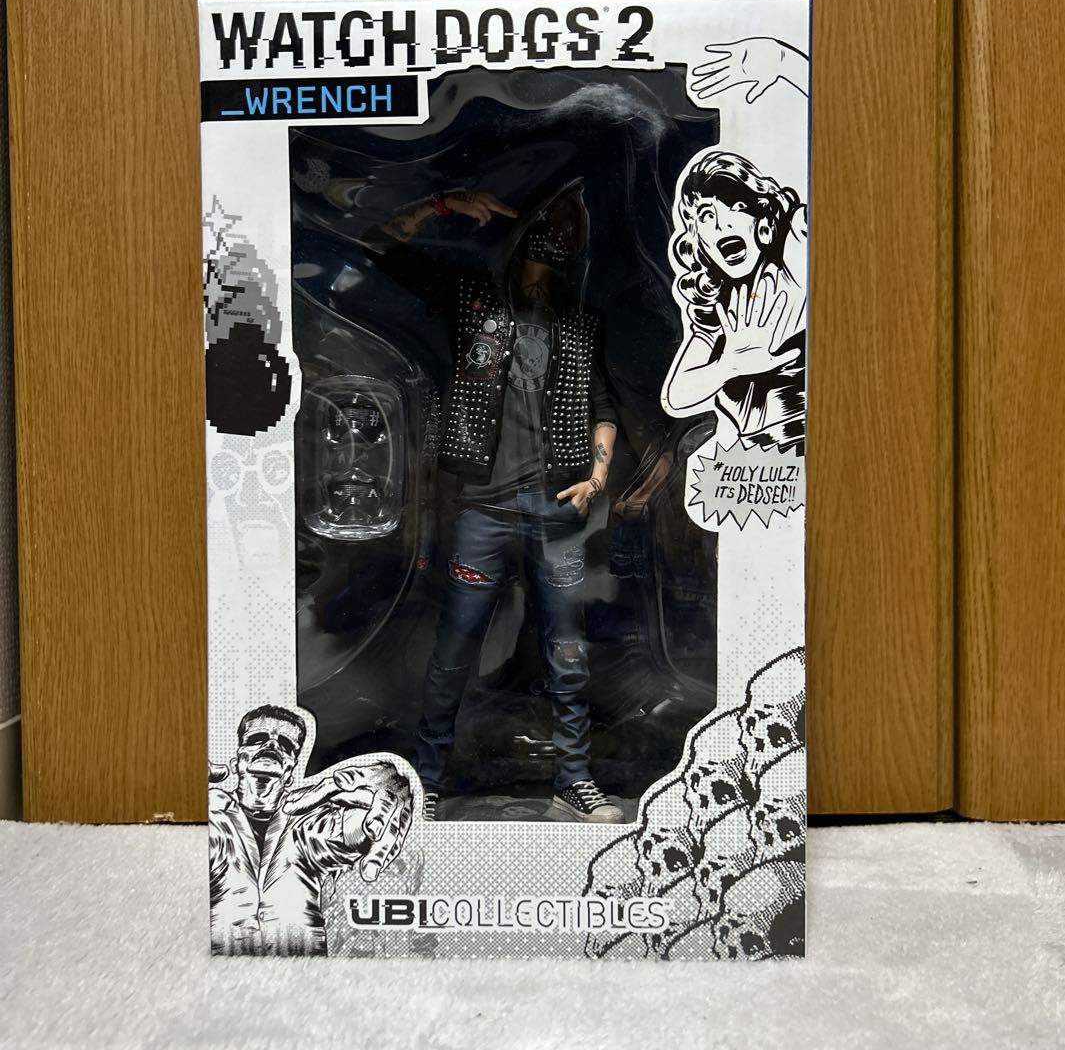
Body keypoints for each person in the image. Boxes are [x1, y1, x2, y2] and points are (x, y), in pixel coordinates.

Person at [355, 179, 625, 824]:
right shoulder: (473, 299)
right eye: (549, 227)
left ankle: (574, 780)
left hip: (558, 511)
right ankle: (425, 781)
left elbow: (605, 406)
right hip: (484, 509)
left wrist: (596, 479)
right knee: (454, 651)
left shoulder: (579, 323)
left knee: (567, 653)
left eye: (569, 233)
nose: (556, 243)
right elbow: (378, 246)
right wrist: (440, 205)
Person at [209, 703, 413, 955]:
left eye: (285, 745)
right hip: (221, 971)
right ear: (237, 761)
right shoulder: (214, 812)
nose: (271, 745)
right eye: (257, 739)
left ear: (290, 770)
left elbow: (355, 829)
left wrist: (379, 800)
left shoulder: (307, 819)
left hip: (305, 973)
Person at [663, 152, 807, 454]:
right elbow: (677, 396)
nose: (721, 224)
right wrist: (729, 365)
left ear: (762, 220)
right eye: (706, 215)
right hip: (751, 470)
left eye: (737, 206)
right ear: (698, 240)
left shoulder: (791, 263)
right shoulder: (715, 309)